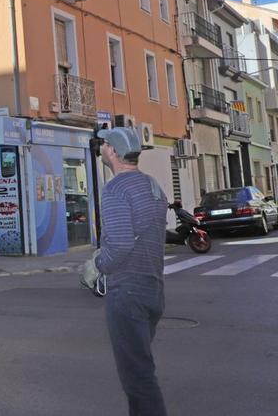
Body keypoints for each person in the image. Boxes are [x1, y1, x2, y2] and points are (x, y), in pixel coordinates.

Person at [91, 127, 168, 416]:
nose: (100, 148)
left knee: (138, 380)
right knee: (141, 370)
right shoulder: (153, 186)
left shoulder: (115, 189)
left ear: (112, 150)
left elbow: (120, 245)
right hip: (153, 290)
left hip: (127, 293)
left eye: (103, 143)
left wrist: (98, 265)